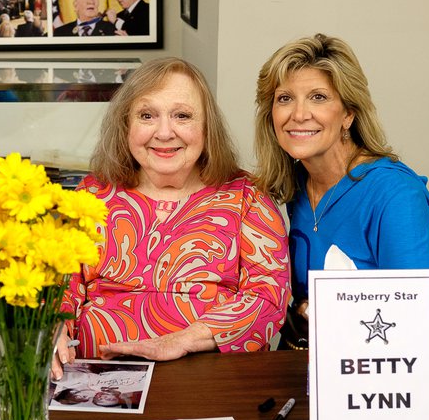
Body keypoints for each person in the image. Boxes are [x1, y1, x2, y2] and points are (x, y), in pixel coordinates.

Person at [252, 33, 429, 410]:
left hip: (400, 399)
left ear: (348, 113)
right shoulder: (298, 185)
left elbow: (424, 322)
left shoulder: (395, 196)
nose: (299, 114)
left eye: (318, 97)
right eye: (285, 98)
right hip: (323, 384)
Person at [52, 57, 290, 373]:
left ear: (207, 128)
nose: (164, 133)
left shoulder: (247, 197)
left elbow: (268, 298)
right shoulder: (91, 194)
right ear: (126, 125)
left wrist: (182, 340)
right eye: (147, 115)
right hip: (97, 379)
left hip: (209, 380)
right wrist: (51, 328)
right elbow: (57, 286)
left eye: (182, 115)